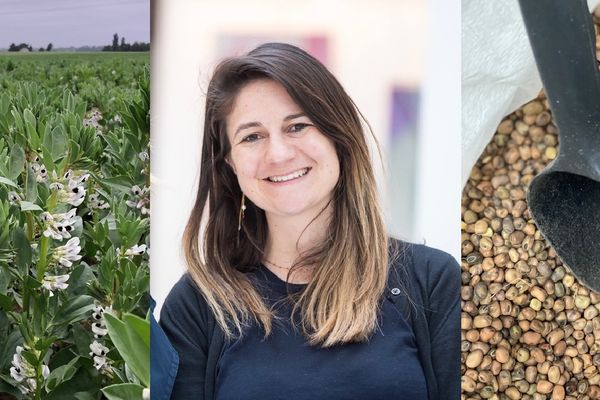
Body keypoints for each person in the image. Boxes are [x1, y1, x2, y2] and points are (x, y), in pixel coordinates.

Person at [158, 42, 460, 400]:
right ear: (229, 164)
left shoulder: (431, 282)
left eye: (297, 126)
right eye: (252, 136)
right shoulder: (198, 305)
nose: (279, 153)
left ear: (338, 138)